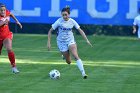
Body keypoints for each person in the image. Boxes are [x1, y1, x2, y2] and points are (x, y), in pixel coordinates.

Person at [47, 6, 93, 79]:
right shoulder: (59, 21)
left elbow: (80, 30)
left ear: (69, 14)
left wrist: (87, 40)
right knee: (69, 62)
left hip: (70, 40)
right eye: (63, 15)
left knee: (75, 55)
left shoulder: (72, 21)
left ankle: (83, 73)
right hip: (61, 42)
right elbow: (50, 31)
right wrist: (49, 43)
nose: (64, 16)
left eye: (66, 15)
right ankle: (64, 56)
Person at [0, 3, 22, 74]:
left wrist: (17, 21)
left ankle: (14, 67)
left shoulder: (7, 12)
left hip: (6, 35)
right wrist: (3, 22)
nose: (3, 12)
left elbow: (11, 14)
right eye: (1, 10)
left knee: (9, 49)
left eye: (4, 10)